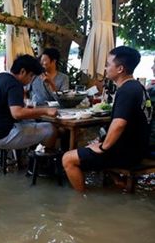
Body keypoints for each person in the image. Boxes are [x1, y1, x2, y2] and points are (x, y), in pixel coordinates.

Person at [62, 46, 152, 191]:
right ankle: (117, 182)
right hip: (137, 148)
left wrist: (103, 147)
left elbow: (119, 125)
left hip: (128, 154)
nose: (105, 67)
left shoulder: (126, 91)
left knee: (68, 158)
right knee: (90, 146)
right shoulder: (137, 87)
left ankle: (81, 202)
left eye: (108, 64)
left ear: (120, 69)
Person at [0, 55, 58, 150]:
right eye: (31, 76)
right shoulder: (15, 84)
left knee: (30, 124)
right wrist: (45, 111)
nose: (30, 80)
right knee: (50, 129)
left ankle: (34, 154)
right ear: (23, 71)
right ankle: (42, 160)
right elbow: (17, 113)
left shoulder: (1, 76)